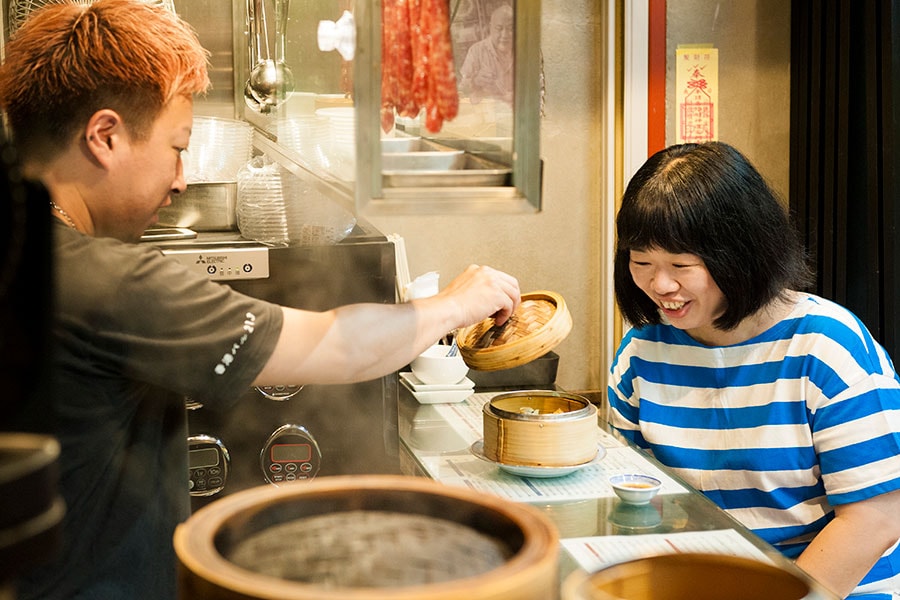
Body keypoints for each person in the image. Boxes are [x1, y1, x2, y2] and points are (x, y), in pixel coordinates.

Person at [0, 1, 521, 598]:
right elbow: (338, 345)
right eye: (176, 147)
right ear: (105, 136)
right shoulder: (109, 284)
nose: (181, 179)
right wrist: (457, 303)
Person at [607, 141, 900, 598]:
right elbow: (633, 494)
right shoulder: (642, 355)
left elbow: (876, 517)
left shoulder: (825, 347)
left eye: (681, 265)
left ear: (739, 254)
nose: (659, 285)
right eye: (642, 262)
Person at [458, 3, 514, 104]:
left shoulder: (525, 51)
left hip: (516, 111)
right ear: (490, 27)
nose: (505, 35)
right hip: (486, 113)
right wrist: (475, 81)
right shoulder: (476, 51)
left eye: (510, 29)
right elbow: (462, 92)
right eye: (499, 28)